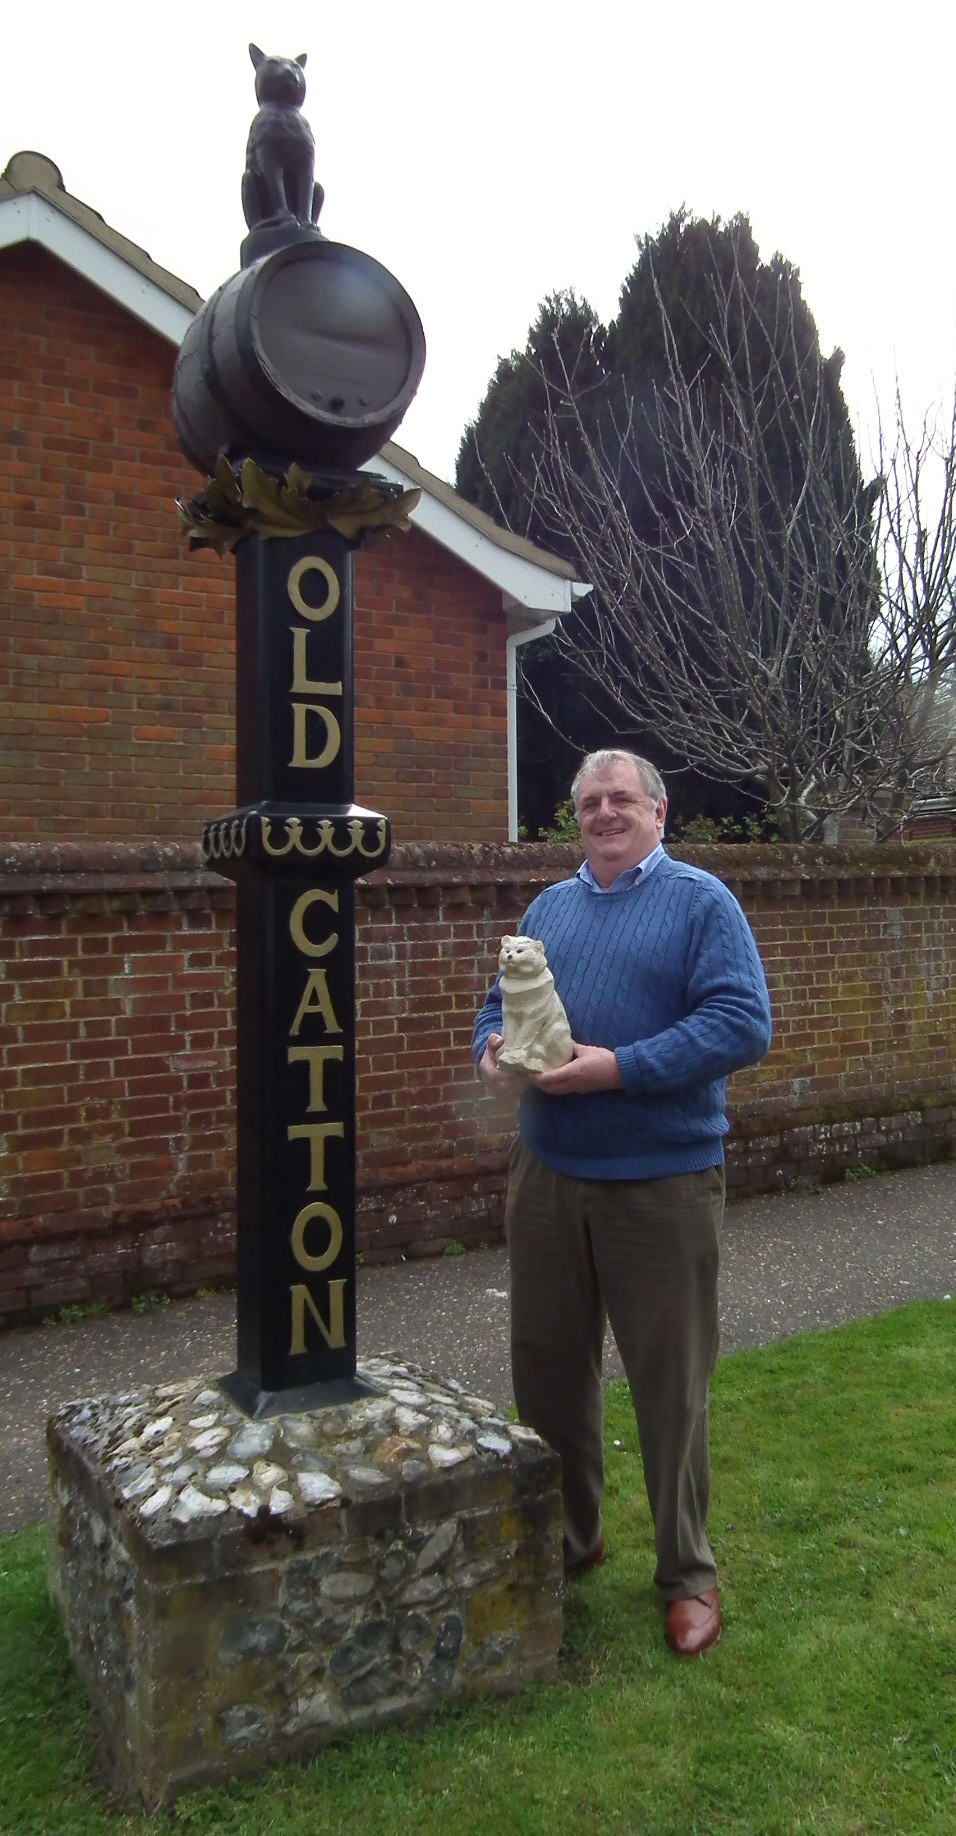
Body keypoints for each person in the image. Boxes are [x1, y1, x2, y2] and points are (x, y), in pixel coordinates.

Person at [473, 749, 772, 1657]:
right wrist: (492, 1052)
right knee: (549, 1373)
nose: (604, 813)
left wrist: (617, 1070)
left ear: (659, 811)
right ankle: (573, 1535)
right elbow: (497, 1007)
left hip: (662, 1182)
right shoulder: (549, 908)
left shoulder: (700, 902)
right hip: (549, 1176)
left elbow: (740, 1023)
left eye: (621, 800)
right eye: (590, 802)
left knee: (670, 1386)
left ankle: (689, 1573)